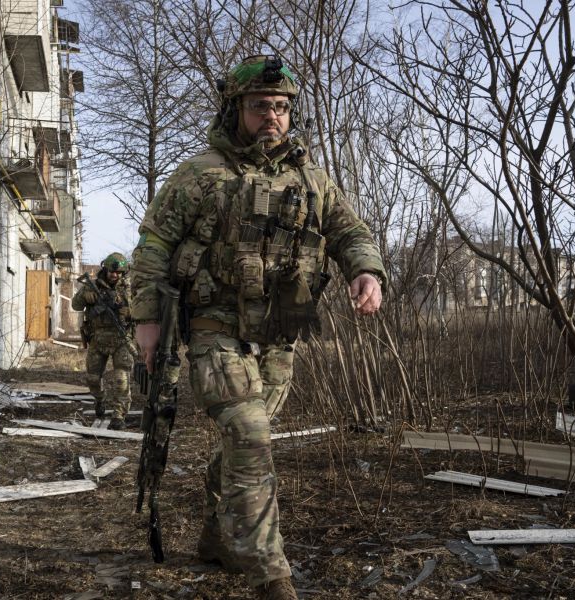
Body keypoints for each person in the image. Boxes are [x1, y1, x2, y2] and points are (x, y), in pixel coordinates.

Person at [129, 55, 387, 599]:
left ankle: (218, 539)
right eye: (259, 106)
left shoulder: (311, 179)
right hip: (214, 328)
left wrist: (365, 271)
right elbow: (153, 247)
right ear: (236, 110)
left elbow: (349, 231)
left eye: (281, 107)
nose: (271, 116)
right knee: (250, 433)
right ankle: (272, 571)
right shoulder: (202, 173)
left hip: (277, 337)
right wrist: (147, 321)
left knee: (240, 444)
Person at [72, 252, 136, 430]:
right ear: (105, 269)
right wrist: (85, 294)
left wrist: (128, 310)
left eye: (119, 272)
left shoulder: (130, 288)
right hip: (98, 339)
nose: (115, 275)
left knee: (122, 378)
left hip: (122, 339)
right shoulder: (92, 286)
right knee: (92, 378)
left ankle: (119, 415)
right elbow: (75, 305)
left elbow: (142, 309)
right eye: (111, 271)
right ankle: (100, 399)